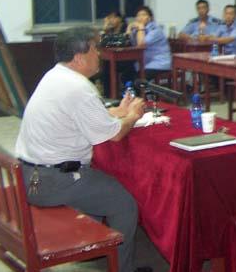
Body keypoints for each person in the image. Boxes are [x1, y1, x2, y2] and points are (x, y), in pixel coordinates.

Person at [15, 27, 148, 272]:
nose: (99, 54)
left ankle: (92, 251)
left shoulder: (55, 76)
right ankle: (123, 269)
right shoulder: (79, 88)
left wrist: (119, 111)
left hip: (31, 176)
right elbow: (116, 134)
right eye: (95, 49)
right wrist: (132, 116)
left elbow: (81, 115)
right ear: (79, 57)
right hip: (54, 182)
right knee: (125, 204)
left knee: (100, 185)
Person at [127, 5, 171, 78]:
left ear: (150, 18)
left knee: (138, 78)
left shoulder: (155, 30)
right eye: (138, 15)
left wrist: (141, 27)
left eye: (143, 15)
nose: (140, 17)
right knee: (126, 72)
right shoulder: (138, 30)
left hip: (158, 63)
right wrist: (129, 29)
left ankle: (141, 85)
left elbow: (141, 44)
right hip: (145, 62)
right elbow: (129, 43)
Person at [99, 10, 135, 95]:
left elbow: (124, 42)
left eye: (112, 18)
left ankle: (120, 94)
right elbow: (102, 43)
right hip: (114, 59)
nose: (110, 20)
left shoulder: (126, 28)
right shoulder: (110, 30)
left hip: (127, 59)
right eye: (108, 18)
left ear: (120, 19)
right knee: (105, 66)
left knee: (108, 66)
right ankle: (109, 95)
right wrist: (104, 29)